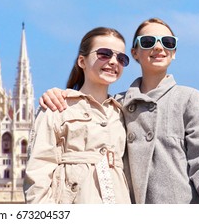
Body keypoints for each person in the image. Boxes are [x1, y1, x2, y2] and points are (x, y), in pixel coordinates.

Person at [38, 18, 199, 204]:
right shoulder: (116, 104)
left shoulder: (188, 98)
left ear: (174, 52)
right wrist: (60, 95)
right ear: (134, 53)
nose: (158, 47)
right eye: (148, 42)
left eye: (167, 42)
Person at [24, 27, 132, 204]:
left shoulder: (123, 111)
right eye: (104, 54)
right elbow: (38, 172)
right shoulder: (57, 106)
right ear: (82, 61)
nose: (114, 62)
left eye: (121, 58)